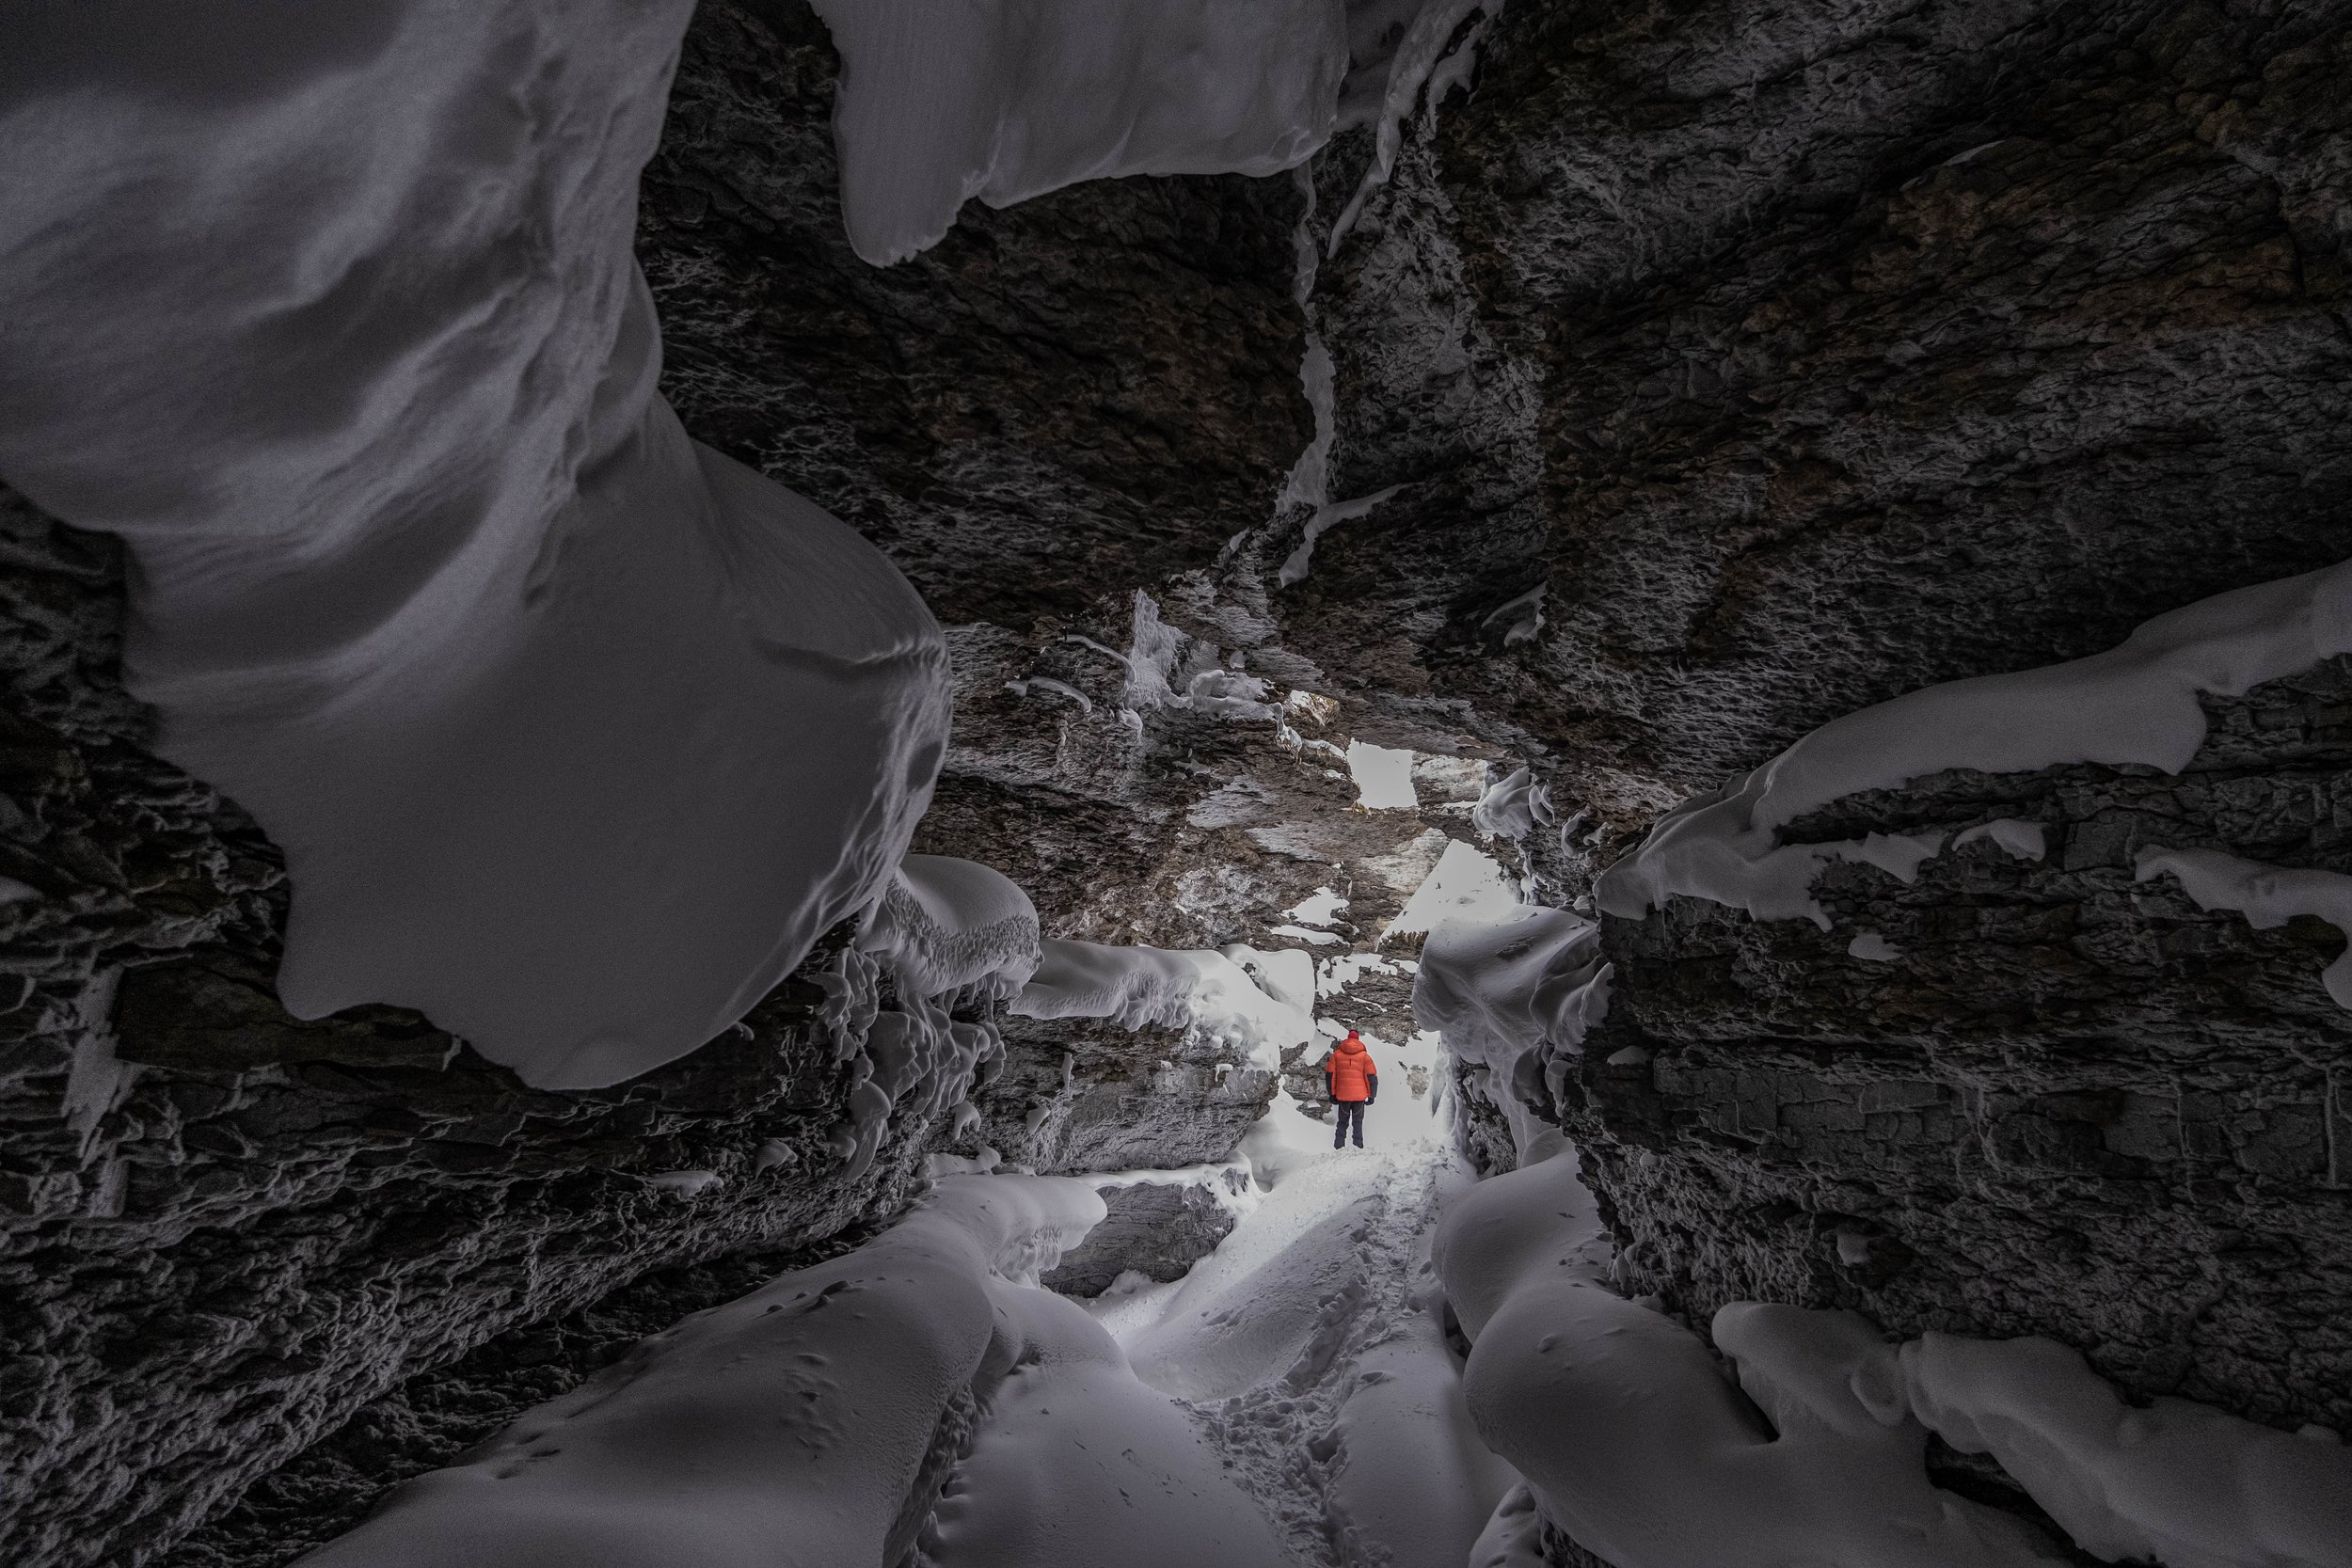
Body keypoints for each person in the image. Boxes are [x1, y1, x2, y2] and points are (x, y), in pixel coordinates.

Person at [1323, 1028, 1378, 1148]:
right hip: (1359, 1097)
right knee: (1357, 1123)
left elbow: (1330, 1076)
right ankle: (1358, 1148)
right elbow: (1371, 1077)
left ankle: (1338, 1148)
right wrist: (1372, 1095)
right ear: (1357, 1039)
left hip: (1343, 1096)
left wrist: (1332, 1094)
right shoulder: (1365, 1057)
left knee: (1342, 1123)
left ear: (1347, 1038)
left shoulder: (1336, 1055)